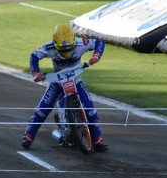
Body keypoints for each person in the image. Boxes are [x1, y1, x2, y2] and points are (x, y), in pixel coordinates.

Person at [20, 23, 108, 152]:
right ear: (55, 43)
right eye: (62, 49)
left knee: (90, 110)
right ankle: (28, 135)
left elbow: (99, 42)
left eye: (69, 49)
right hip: (57, 81)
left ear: (73, 41)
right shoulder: (48, 48)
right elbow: (34, 56)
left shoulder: (81, 44)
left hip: (75, 79)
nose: (66, 52)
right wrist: (36, 73)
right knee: (42, 109)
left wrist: (96, 56)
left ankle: (97, 140)